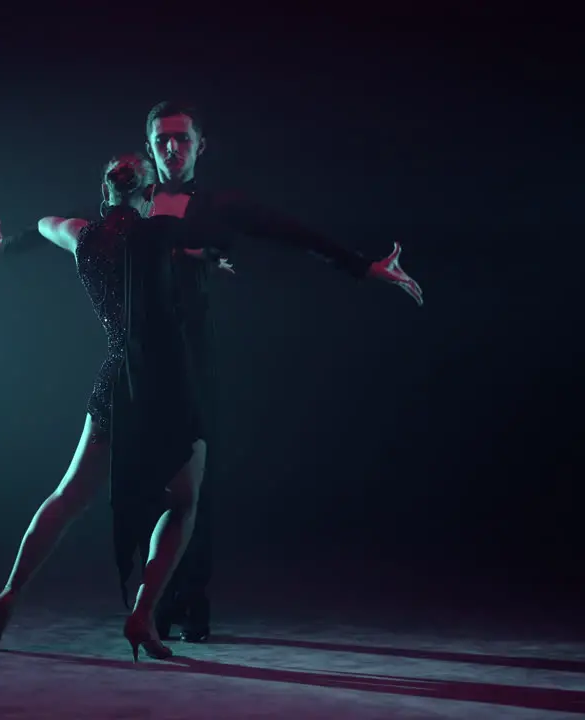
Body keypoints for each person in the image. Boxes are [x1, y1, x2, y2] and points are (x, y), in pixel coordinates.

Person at [135, 100, 423, 645]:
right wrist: (13, 247)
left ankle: (189, 601)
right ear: (149, 145)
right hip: (138, 360)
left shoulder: (220, 204)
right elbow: (79, 232)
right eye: (163, 139)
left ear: (200, 145)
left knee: (193, 488)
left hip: (194, 358)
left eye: (182, 138)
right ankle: (155, 603)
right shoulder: (132, 205)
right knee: (148, 484)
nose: (172, 147)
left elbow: (295, 234)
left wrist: (361, 265)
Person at [0, 152, 233, 661]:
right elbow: (199, 249)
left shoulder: (82, 236)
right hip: (165, 387)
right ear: (150, 194)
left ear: (105, 191)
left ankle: (9, 593)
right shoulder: (162, 238)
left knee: (67, 496)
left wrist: (8, 245)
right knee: (184, 500)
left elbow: (44, 225)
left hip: (114, 380)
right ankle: (143, 613)